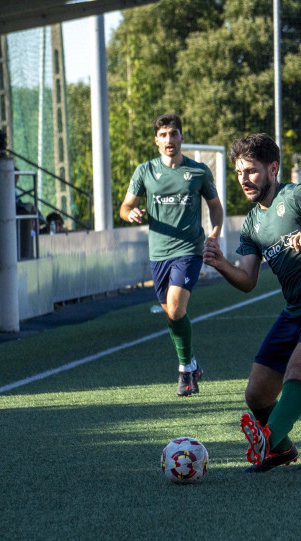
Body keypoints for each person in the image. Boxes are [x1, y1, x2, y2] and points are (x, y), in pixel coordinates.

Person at [202, 133, 301, 473]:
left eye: (252, 171)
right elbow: (247, 282)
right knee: (256, 396)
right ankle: (283, 450)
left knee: (300, 370)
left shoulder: (298, 195)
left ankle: (267, 443)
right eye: (240, 172)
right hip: (293, 313)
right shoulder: (252, 224)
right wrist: (221, 264)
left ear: (273, 168)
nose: (244, 179)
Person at [119, 113, 224, 397]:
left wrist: (214, 233)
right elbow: (125, 206)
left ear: (181, 137)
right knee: (171, 314)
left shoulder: (199, 171)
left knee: (177, 308)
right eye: (163, 135)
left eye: (174, 134)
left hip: (189, 250)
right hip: (158, 253)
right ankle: (192, 364)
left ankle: (184, 371)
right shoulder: (145, 171)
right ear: (156, 140)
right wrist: (131, 214)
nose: (169, 140)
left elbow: (215, 206)